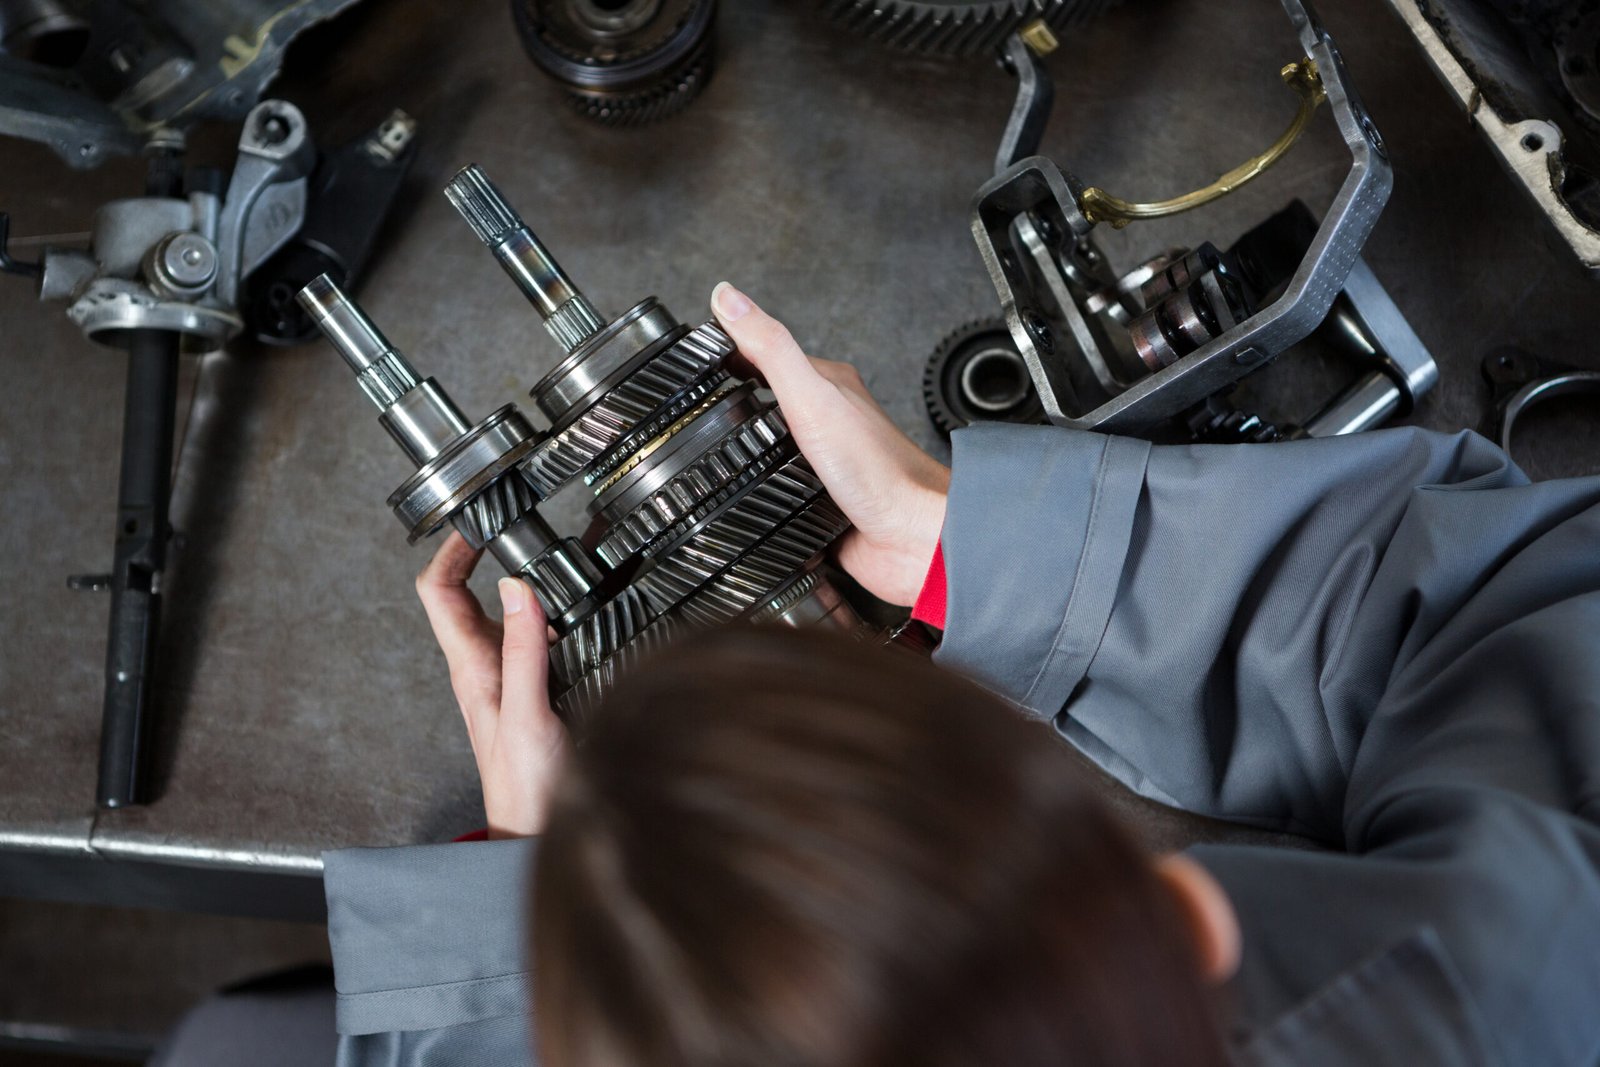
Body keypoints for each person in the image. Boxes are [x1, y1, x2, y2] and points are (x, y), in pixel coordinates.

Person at [322, 283, 1600, 1066]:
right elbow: (1523, 614)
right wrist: (966, 544)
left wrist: (521, 936)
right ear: (1191, 922)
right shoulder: (1498, 998)